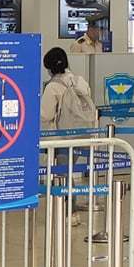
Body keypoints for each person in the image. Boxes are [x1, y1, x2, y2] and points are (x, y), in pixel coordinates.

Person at [40, 47, 96, 226]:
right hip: (81, 134)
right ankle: (70, 210)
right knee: (68, 171)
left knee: (63, 174)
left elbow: (45, 115)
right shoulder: (79, 81)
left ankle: (69, 212)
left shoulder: (52, 87)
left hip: (61, 138)